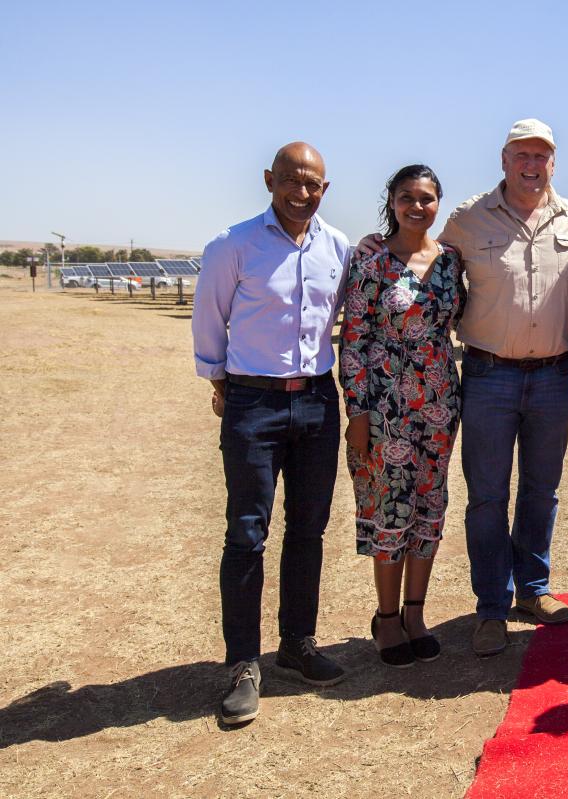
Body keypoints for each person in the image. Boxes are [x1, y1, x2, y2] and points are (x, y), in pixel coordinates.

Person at [358, 120, 568, 656]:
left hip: (555, 376)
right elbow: (418, 252)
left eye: (542, 156)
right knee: (486, 496)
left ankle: (532, 591)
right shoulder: (466, 219)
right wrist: (378, 239)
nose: (531, 165)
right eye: (521, 155)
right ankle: (491, 607)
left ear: (553, 162)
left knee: (541, 490)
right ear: (504, 160)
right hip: (488, 376)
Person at [193, 142, 349, 725]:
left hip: (315, 402)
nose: (301, 193)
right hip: (253, 403)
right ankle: (241, 665)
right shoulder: (233, 245)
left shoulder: (338, 249)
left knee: (309, 529)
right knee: (247, 532)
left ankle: (296, 644)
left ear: (324, 190)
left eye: (313, 185)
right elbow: (210, 317)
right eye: (291, 181)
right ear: (269, 180)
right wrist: (219, 381)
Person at [340, 164, 464, 667]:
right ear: (391, 201)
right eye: (407, 197)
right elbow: (353, 341)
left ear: (439, 204)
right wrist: (358, 411)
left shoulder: (452, 262)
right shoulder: (370, 263)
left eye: (428, 198)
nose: (417, 206)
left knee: (430, 506)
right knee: (389, 508)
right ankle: (387, 619)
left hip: (439, 406)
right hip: (385, 407)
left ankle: (416, 613)